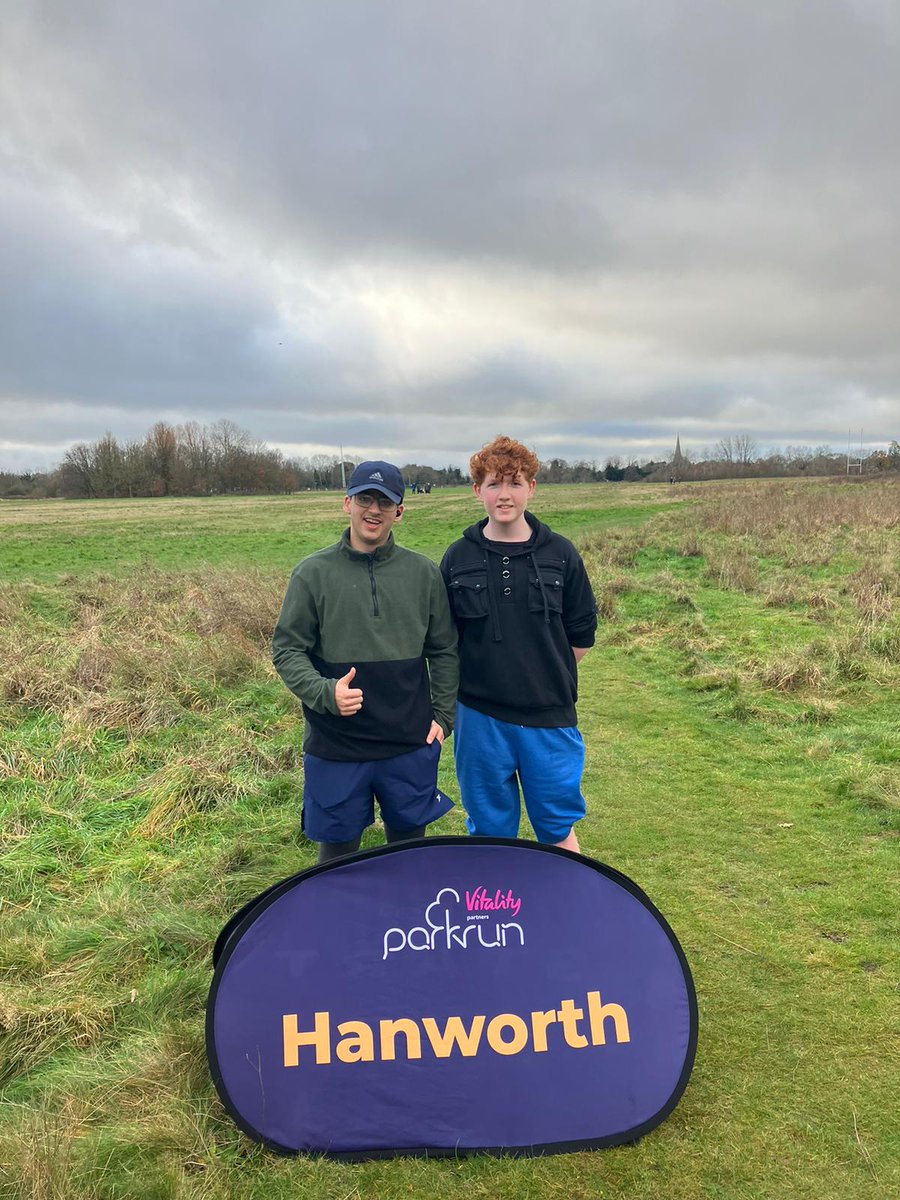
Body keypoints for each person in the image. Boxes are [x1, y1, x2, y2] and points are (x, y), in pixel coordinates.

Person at [273, 460, 458, 863]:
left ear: (400, 511)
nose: (373, 510)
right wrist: (325, 693)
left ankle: (406, 925)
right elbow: (287, 650)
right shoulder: (311, 574)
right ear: (347, 503)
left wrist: (443, 718)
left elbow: (444, 650)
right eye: (365, 499)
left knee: (408, 858)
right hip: (336, 746)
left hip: (408, 744)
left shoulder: (423, 574)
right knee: (336, 864)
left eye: (385, 502)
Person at [440, 436, 597, 852]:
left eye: (515, 483)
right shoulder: (458, 557)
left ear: (532, 487)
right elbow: (445, 639)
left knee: (556, 824)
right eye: (493, 484)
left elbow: (581, 634)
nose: (504, 495)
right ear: (477, 491)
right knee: (490, 830)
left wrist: (543, 671)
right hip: (479, 717)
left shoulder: (561, 553)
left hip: (549, 715)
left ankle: (566, 908)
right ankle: (496, 914)